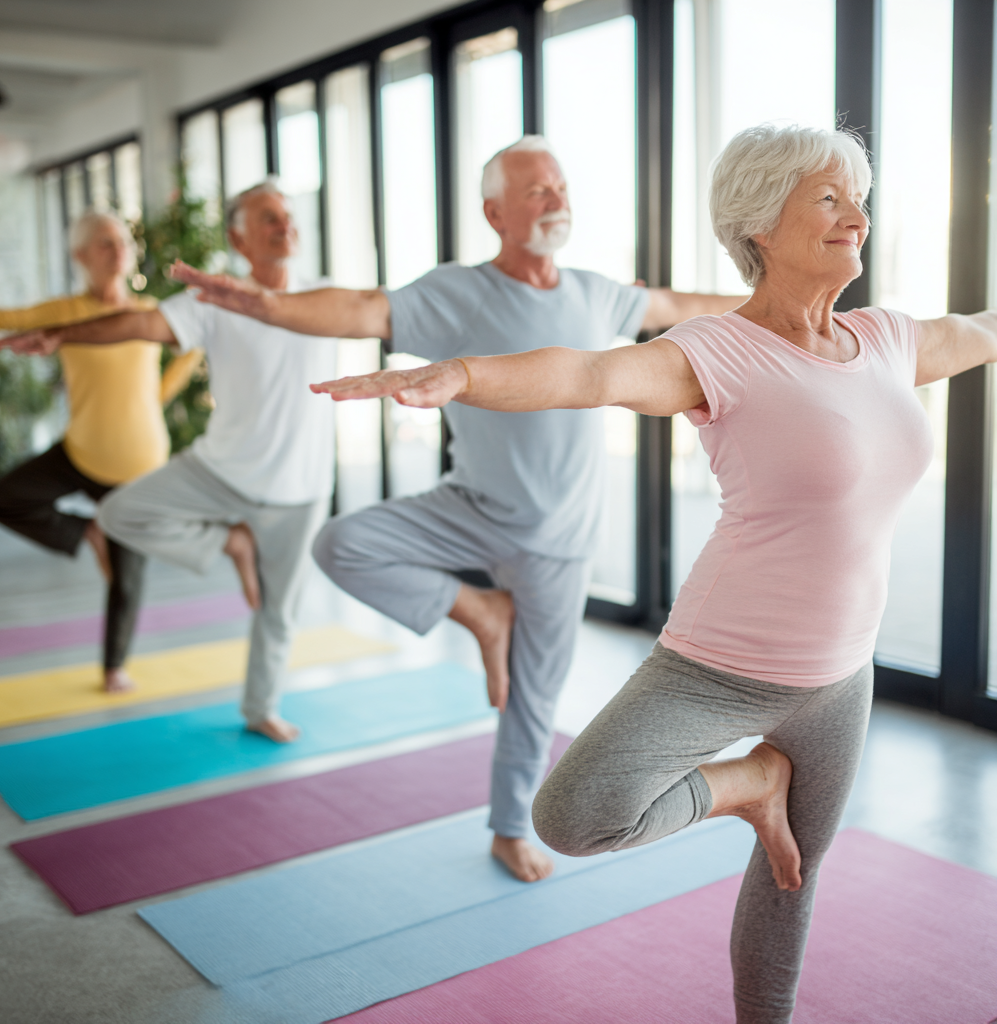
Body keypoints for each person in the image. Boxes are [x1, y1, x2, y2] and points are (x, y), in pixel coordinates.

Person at [290, 123, 997, 1021]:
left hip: (840, 676)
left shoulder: (889, 340)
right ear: (760, 226)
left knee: (793, 879)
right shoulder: (721, 353)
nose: (855, 216)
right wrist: (463, 374)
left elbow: (978, 329)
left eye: (857, 197)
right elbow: (587, 371)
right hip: (720, 665)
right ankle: (749, 785)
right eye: (828, 198)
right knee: (575, 817)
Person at [165, 135, 742, 882]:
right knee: (342, 544)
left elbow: (683, 305)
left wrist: (787, 301)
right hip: (470, 506)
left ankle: (509, 828)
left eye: (561, 187)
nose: (556, 201)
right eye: (537, 191)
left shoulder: (599, 292)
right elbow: (363, 309)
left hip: (561, 539)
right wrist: (271, 305)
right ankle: (479, 613)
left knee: (534, 702)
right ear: (494, 212)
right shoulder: (458, 292)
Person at [0, 182, 337, 743]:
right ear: (238, 237)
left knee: (278, 612)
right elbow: (137, 324)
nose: (284, 225)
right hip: (220, 471)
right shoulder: (214, 299)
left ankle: (261, 708)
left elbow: (383, 311)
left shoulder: (326, 295)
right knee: (120, 515)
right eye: (268, 217)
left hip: (303, 485)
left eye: (288, 216)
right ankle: (232, 542)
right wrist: (60, 336)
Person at [0, 211, 203, 692]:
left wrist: (155, 396)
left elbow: (194, 345)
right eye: (103, 242)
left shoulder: (148, 312)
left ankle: (113, 666)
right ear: (80, 256)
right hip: (79, 453)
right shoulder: (65, 313)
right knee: (0, 498)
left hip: (139, 463)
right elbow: (1, 319)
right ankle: (87, 532)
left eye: (121, 240)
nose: (117, 248)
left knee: (127, 577)